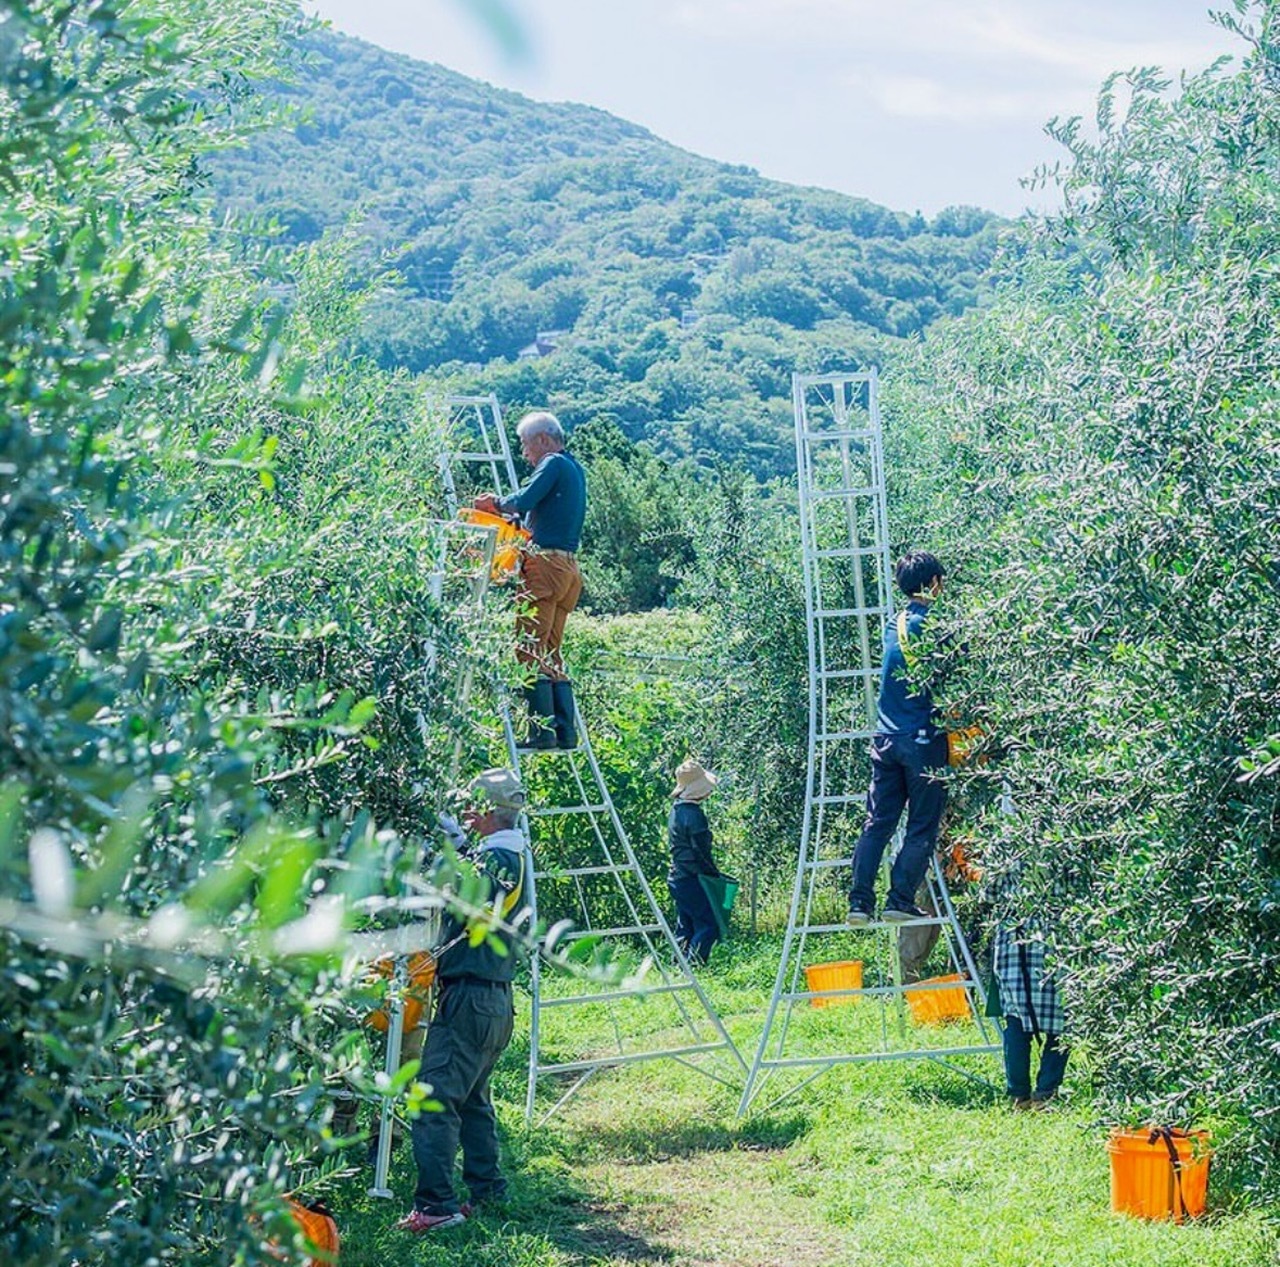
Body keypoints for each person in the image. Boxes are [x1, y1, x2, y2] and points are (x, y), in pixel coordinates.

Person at [398, 768, 530, 1235]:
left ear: (489, 812)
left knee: (433, 1100)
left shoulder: (499, 860)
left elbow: (474, 903)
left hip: (471, 998)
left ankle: (436, 1206)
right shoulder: (506, 854)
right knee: (472, 1099)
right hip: (491, 1000)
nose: (468, 816)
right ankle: (487, 1189)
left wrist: (446, 852)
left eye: (473, 810)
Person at [847, 550, 951, 925]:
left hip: (885, 740)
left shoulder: (895, 624)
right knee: (921, 824)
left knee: (878, 822)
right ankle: (899, 898)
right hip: (922, 740)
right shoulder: (938, 626)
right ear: (935, 583)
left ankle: (859, 902)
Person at [475, 411, 586, 751]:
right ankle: (564, 732)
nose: (524, 454)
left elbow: (522, 500)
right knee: (550, 650)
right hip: (568, 571)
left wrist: (493, 503)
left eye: (525, 445)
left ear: (543, 439)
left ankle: (541, 732)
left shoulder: (551, 463)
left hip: (545, 565)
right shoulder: (574, 468)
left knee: (527, 647)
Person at [667, 758, 723, 966]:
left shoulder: (677, 810)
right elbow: (701, 851)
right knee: (708, 925)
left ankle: (677, 966)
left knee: (686, 925)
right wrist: (713, 874)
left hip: (677, 877)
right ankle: (694, 966)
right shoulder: (694, 815)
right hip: (692, 877)